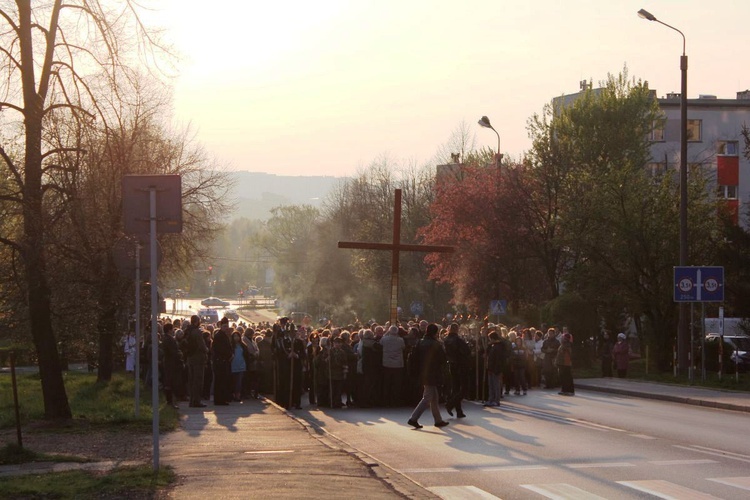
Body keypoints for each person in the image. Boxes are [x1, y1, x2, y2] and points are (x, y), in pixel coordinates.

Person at [408, 323, 449, 429]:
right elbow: (442, 359)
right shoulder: (436, 344)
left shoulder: (420, 343)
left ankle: (438, 419)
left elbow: (415, 359)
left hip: (423, 372)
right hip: (433, 373)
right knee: (427, 398)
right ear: (435, 332)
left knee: (434, 397)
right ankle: (413, 418)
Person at [444, 322, 470, 418]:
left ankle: (459, 411)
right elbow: (467, 351)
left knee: (455, 388)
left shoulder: (446, 339)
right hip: (461, 365)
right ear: (457, 329)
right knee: (464, 389)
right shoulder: (458, 340)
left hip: (452, 365)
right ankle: (450, 404)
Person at [184, 315, 208, 408]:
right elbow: (202, 345)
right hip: (198, 358)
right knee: (198, 380)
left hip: (190, 357)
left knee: (191, 380)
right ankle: (196, 401)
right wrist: (207, 350)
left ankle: (192, 400)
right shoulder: (197, 332)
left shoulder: (188, 330)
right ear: (197, 321)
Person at [380, 325, 405, 407]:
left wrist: (386, 333)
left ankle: (385, 400)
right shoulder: (400, 340)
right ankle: (395, 400)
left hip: (387, 363)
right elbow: (403, 347)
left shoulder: (384, 339)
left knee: (387, 383)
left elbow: (380, 343)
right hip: (398, 364)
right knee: (396, 384)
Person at [212, 317, 233, 406]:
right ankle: (219, 400)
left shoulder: (224, 335)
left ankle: (222, 398)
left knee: (223, 381)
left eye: (227, 326)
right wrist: (228, 355)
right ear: (221, 326)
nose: (226, 328)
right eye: (224, 326)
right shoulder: (219, 336)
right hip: (221, 361)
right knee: (220, 381)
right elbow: (220, 349)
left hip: (224, 361)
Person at [161, 322, 182, 409]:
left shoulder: (164, 338)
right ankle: (170, 401)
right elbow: (173, 352)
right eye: (172, 329)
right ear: (169, 330)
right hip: (171, 363)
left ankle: (170, 401)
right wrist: (179, 354)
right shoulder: (170, 339)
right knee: (171, 382)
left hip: (168, 362)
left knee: (168, 382)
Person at [484, 331, 504, 407]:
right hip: (491, 368)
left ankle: (496, 400)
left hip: (495, 369)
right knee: (491, 385)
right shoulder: (493, 346)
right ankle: (491, 399)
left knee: (496, 385)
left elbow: (498, 360)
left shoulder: (499, 347)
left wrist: (496, 369)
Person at [230, 329, 249, 402]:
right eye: (234, 336)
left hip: (241, 365)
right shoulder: (231, 345)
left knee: (239, 382)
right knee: (233, 381)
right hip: (233, 365)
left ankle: (238, 395)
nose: (236, 338)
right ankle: (233, 394)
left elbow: (246, 355)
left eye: (237, 336)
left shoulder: (243, 346)